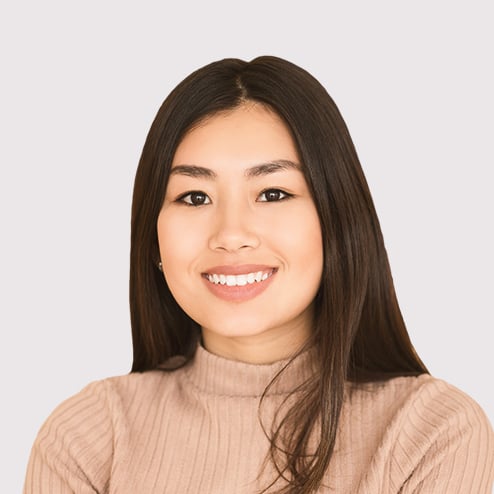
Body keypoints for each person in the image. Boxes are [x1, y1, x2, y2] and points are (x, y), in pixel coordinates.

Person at [23, 56, 493, 494]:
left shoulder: (433, 433)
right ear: (153, 238)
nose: (231, 235)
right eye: (194, 197)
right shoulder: (87, 438)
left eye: (272, 194)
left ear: (336, 219)